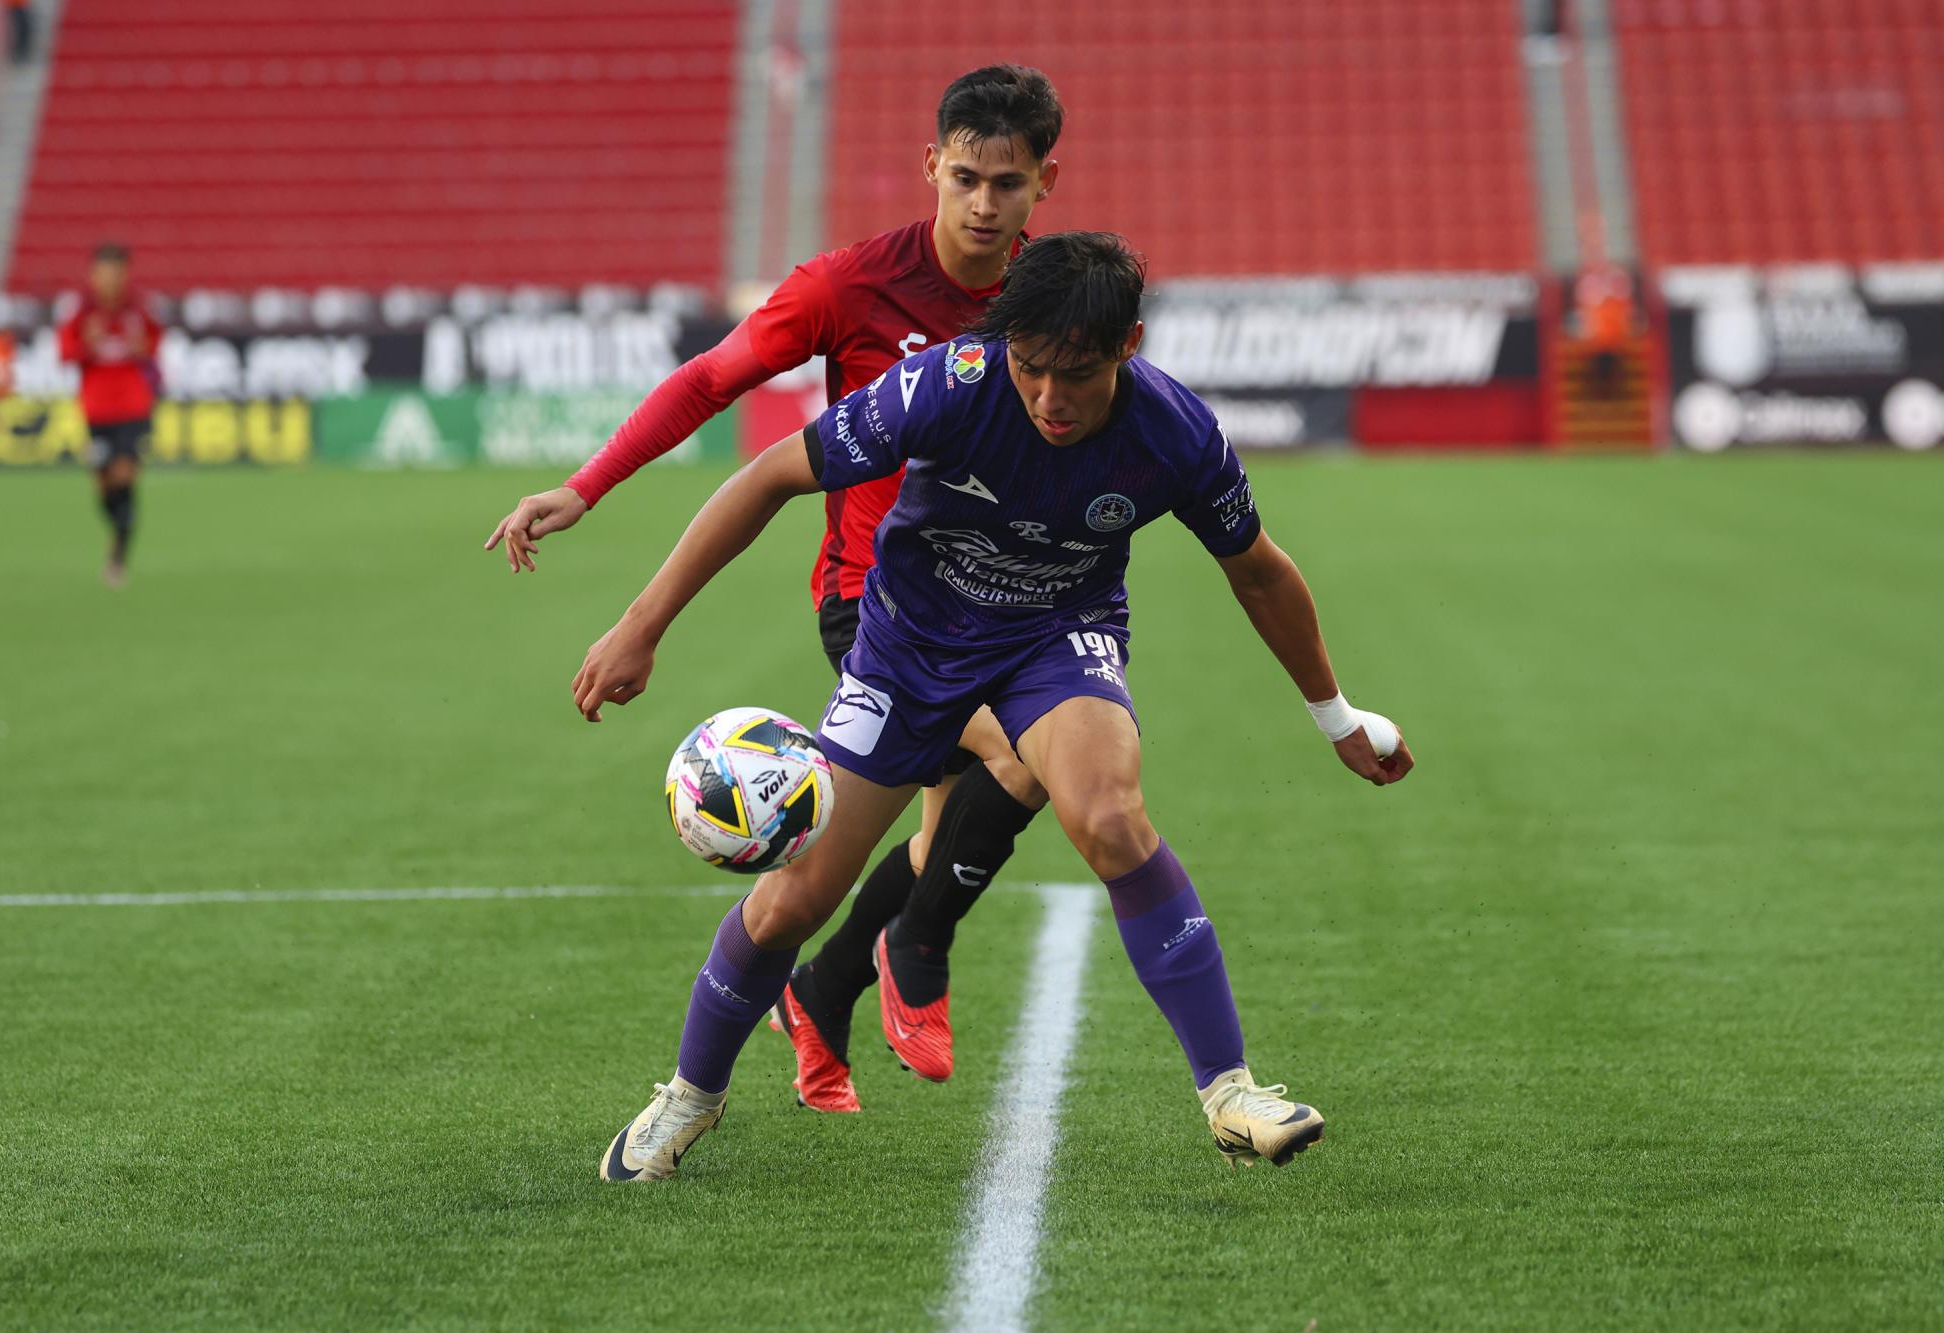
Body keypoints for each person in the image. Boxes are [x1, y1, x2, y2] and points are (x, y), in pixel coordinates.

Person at [572, 232, 1417, 1181]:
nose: (1051, 398)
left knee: (1110, 817)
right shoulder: (948, 383)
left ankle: (1231, 1094)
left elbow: (1259, 574)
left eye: (1078, 374)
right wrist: (643, 626)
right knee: (794, 901)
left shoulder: (1177, 433)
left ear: (1128, 344)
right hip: (905, 649)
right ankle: (690, 1095)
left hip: (1056, 639)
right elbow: (770, 475)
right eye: (1031, 369)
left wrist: (1337, 719)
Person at [485, 66, 1066, 1111]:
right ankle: (903, 956)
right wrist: (587, 487)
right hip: (877, 606)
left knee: (942, 839)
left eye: (1007, 184)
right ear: (930, 165)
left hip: (999, 604)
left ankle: (826, 985)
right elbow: (712, 381)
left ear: (1042, 185)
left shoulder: (1052, 304)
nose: (984, 204)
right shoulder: (850, 286)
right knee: (1031, 759)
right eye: (966, 177)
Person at [57, 243, 160, 587]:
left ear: (126, 274)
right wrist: (87, 344)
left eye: (117, 273)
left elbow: (155, 347)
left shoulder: (139, 309)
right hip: (97, 409)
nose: (111, 280)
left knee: (124, 473)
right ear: (93, 275)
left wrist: (141, 349)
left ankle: (117, 557)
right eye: (104, 273)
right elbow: (65, 352)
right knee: (103, 485)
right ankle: (119, 536)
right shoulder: (81, 311)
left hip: (133, 406)